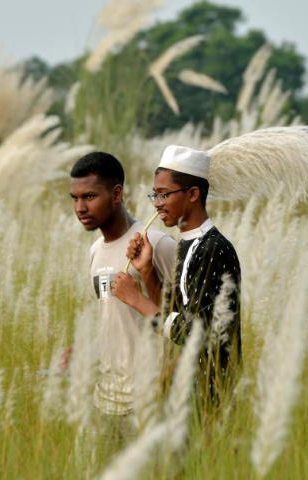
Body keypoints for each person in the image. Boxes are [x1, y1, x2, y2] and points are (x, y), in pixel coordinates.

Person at [112, 145, 242, 409]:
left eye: (165, 195)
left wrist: (136, 299)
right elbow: (172, 316)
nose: (157, 204)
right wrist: (147, 271)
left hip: (210, 399)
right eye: (155, 195)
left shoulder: (213, 249)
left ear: (193, 194)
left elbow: (193, 332)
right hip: (185, 395)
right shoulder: (186, 245)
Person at [69, 151, 177, 432]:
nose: (80, 207)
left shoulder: (157, 242)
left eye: (89, 197)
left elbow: (178, 323)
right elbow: (114, 320)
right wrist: (84, 352)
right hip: (104, 401)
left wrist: (146, 274)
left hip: (148, 403)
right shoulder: (95, 252)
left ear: (116, 194)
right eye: (75, 198)